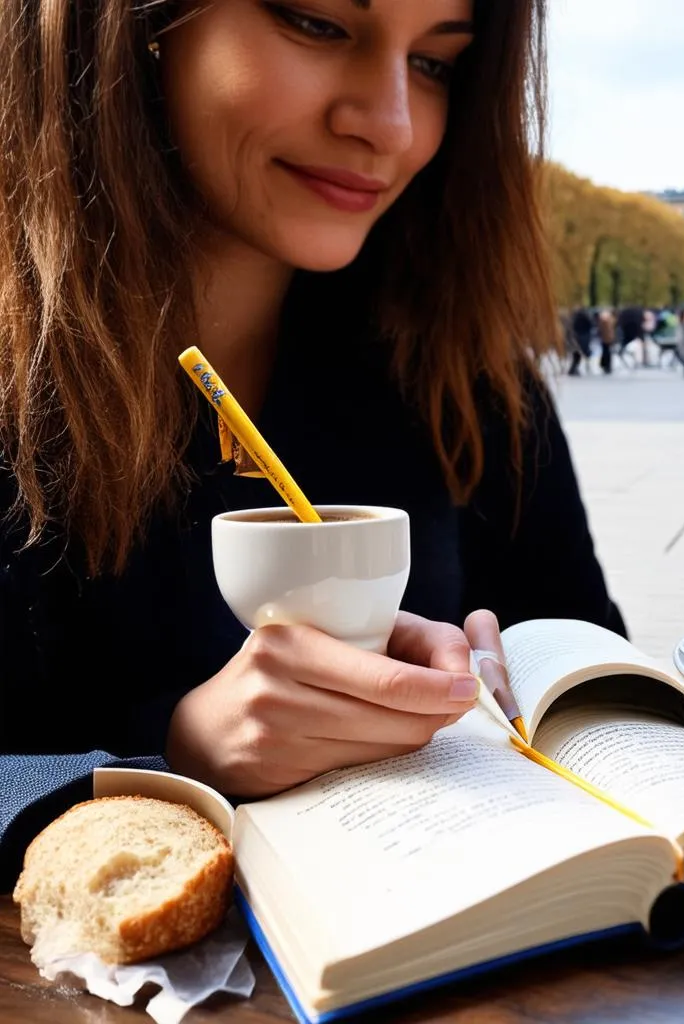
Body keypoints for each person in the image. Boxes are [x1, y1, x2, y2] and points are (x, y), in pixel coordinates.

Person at [0, 0, 626, 887]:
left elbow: (597, 657)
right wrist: (173, 753)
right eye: (318, 24)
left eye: (437, 64)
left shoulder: (468, 371)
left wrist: (525, 680)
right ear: (131, 25)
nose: (392, 125)